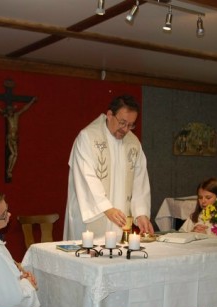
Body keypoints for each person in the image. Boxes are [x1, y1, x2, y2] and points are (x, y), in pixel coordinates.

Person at [64, 94, 154, 240]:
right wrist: (106, 208)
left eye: (131, 125)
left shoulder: (133, 143)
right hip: (92, 219)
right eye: (122, 122)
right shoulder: (87, 138)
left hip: (119, 221)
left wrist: (141, 213)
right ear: (110, 115)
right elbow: (86, 177)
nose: (125, 129)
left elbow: (139, 181)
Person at [0, 95, 37, 180]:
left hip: (15, 137)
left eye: (11, 110)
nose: (10, 112)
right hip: (10, 137)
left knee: (16, 154)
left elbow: (25, 108)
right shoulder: (7, 117)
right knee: (12, 154)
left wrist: (32, 101)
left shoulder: (17, 115)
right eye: (8, 111)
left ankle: (10, 170)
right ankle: (9, 170)